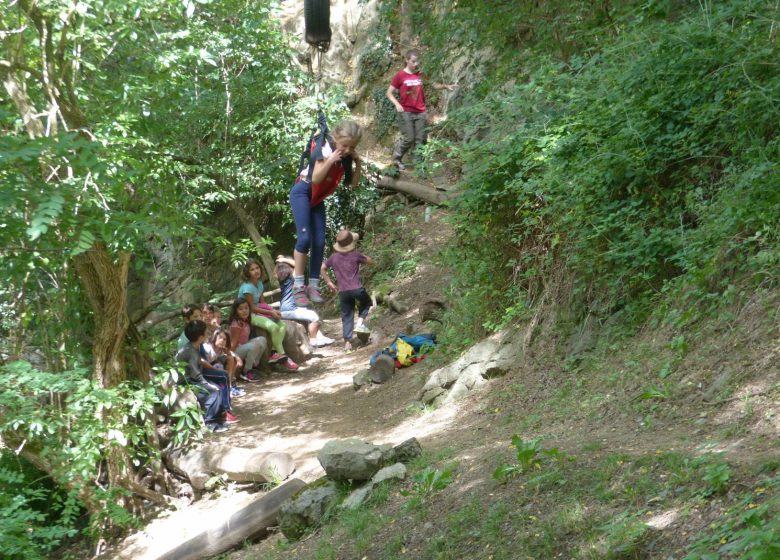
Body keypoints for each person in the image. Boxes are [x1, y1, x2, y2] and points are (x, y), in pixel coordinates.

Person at [289, 119, 363, 307]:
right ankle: (298, 286)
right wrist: (330, 159)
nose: (347, 150)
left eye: (351, 147)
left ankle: (313, 285)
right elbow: (315, 178)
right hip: (303, 191)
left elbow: (352, 185)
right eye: (344, 145)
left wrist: (358, 164)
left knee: (320, 242)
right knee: (304, 239)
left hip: (317, 199)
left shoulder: (345, 157)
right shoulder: (324, 147)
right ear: (336, 138)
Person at [386, 49, 456, 170]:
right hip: (406, 112)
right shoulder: (400, 75)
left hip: (420, 112)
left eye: (417, 61)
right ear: (407, 60)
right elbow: (389, 93)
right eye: (413, 61)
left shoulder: (421, 74)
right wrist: (397, 104)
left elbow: (434, 85)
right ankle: (396, 159)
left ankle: (418, 167)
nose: (416, 64)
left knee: (421, 140)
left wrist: (445, 86)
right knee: (409, 138)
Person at [238, 259, 299, 371]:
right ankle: (282, 356)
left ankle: (276, 353)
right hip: (249, 315)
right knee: (273, 327)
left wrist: (273, 310)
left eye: (257, 268)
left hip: (258, 311)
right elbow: (252, 307)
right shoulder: (247, 288)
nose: (256, 271)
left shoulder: (259, 283)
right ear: (247, 272)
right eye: (252, 269)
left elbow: (262, 303)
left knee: (282, 325)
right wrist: (271, 312)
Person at [321, 229, 374, 353]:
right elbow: (370, 261)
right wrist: (363, 257)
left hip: (343, 291)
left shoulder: (333, 258)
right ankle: (360, 323)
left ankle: (348, 344)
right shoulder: (356, 254)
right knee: (367, 302)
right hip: (356, 288)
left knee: (347, 315)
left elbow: (322, 268)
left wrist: (329, 282)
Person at [175, 320, 229, 433]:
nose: (207, 333)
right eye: (205, 332)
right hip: (187, 382)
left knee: (218, 384)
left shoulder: (195, 346)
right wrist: (208, 385)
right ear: (200, 337)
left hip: (192, 378)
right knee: (214, 392)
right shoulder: (190, 351)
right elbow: (195, 374)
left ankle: (219, 416)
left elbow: (199, 363)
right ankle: (210, 423)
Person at [275, 256, 335, 347]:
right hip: (290, 310)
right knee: (314, 317)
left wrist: (281, 261)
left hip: (286, 309)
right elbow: (298, 265)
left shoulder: (282, 280)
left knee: (308, 315)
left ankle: (321, 337)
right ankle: (313, 340)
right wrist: (284, 260)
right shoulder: (292, 279)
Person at [227, 298, 268, 382]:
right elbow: (233, 343)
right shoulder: (236, 323)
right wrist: (231, 357)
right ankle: (246, 372)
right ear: (236, 311)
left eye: (246, 308)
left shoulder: (245, 321)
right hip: (236, 350)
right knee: (255, 345)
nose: (244, 311)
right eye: (241, 309)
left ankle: (252, 365)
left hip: (244, 347)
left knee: (262, 340)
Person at [203, 328, 246, 398]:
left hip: (212, 369)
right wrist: (215, 369)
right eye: (220, 338)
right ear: (215, 337)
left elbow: (235, 360)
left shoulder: (220, 350)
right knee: (220, 366)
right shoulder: (208, 348)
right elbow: (202, 363)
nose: (222, 341)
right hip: (203, 372)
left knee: (231, 358)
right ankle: (225, 387)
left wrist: (229, 353)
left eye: (224, 339)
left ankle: (229, 386)